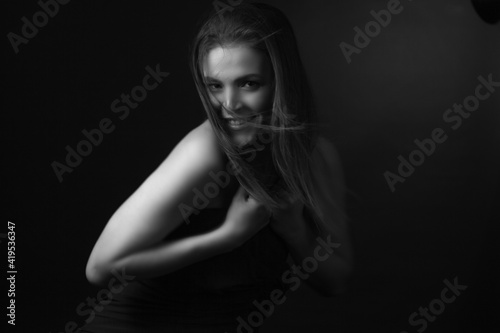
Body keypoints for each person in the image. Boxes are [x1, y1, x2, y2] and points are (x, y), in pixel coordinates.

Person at [81, 2, 352, 332]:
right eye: (215, 86)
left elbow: (335, 281)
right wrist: (227, 237)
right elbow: (100, 267)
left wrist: (296, 231)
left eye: (248, 83)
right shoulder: (206, 149)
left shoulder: (316, 157)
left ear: (282, 79)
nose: (229, 105)